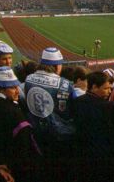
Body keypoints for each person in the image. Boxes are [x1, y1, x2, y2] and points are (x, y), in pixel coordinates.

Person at [0, 66, 42, 182]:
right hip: (11, 170)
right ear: (1, 89)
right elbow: (23, 145)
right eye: (13, 88)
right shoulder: (14, 112)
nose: (17, 91)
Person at [24, 47, 75, 181]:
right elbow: (72, 109)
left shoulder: (28, 79)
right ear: (56, 66)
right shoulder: (65, 84)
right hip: (58, 135)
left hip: (35, 132)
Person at [73, 71, 114, 181]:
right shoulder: (108, 107)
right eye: (106, 88)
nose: (109, 91)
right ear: (94, 87)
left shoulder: (76, 101)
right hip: (101, 154)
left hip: (80, 152)